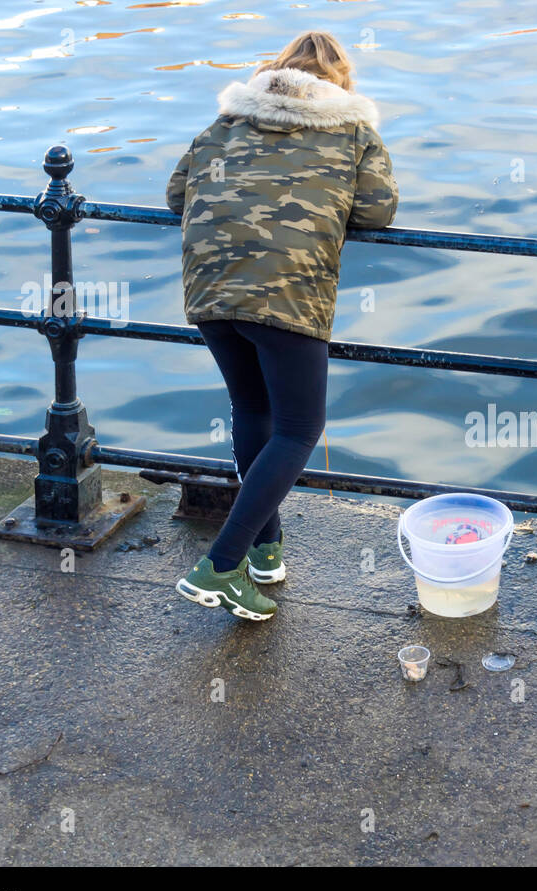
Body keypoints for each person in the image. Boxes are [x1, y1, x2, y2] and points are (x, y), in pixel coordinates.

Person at [166, 30, 398, 621]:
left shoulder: (224, 123)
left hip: (211, 283)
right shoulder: (351, 130)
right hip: (288, 291)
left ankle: (265, 554)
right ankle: (219, 565)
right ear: (339, 80)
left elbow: (174, 194)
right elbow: (377, 210)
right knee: (299, 428)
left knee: (253, 410)